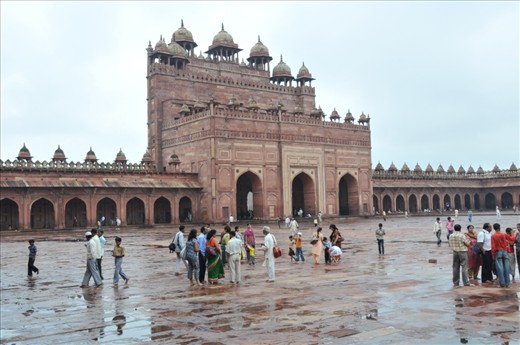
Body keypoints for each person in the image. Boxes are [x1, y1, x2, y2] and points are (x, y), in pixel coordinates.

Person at [491, 223, 510, 288]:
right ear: (499, 227)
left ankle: (502, 283)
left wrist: (493, 254)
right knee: (507, 267)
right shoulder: (504, 234)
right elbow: (510, 238)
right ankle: (507, 282)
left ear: (494, 228)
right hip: (505, 251)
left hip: (498, 251)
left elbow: (493, 246)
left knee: (500, 268)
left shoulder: (493, 236)